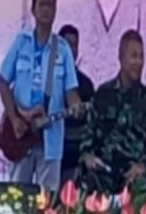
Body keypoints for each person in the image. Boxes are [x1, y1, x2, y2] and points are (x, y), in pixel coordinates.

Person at [0, 0, 83, 190]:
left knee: (48, 201)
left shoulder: (61, 49)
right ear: (33, 9)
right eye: (42, 4)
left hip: (50, 138)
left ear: (55, 11)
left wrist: (77, 106)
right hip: (21, 134)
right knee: (17, 198)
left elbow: (71, 91)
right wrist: (15, 117)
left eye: (50, 5)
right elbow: (2, 82)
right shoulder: (20, 42)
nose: (46, 9)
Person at [81, 30, 146, 193]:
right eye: (134, 56)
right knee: (86, 186)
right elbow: (87, 137)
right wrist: (88, 157)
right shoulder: (103, 94)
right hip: (104, 171)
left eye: (141, 56)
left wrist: (144, 166)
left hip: (133, 174)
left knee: (142, 189)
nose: (139, 62)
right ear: (121, 58)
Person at [59, 24, 96, 183]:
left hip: (74, 154)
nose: (72, 49)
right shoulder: (46, 80)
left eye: (75, 45)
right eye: (68, 45)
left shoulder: (86, 84)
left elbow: (91, 123)